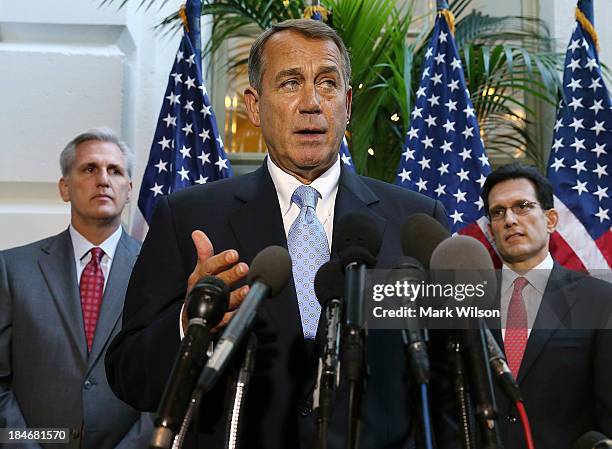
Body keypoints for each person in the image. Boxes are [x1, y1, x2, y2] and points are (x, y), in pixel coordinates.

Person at [106, 20, 453, 449]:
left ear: (346, 105)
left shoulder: (418, 221)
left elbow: (453, 384)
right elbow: (129, 376)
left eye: (327, 84)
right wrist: (190, 321)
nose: (311, 103)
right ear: (254, 106)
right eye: (290, 83)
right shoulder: (190, 217)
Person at [0, 128, 153, 449]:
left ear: (129, 189)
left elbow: (168, 381)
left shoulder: (158, 270)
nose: (103, 179)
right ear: (64, 188)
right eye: (89, 169)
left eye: (115, 171)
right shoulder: (12, 269)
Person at [482, 162, 612, 449]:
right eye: (498, 212)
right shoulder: (468, 300)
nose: (510, 220)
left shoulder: (600, 301)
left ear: (551, 220)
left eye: (522, 206)